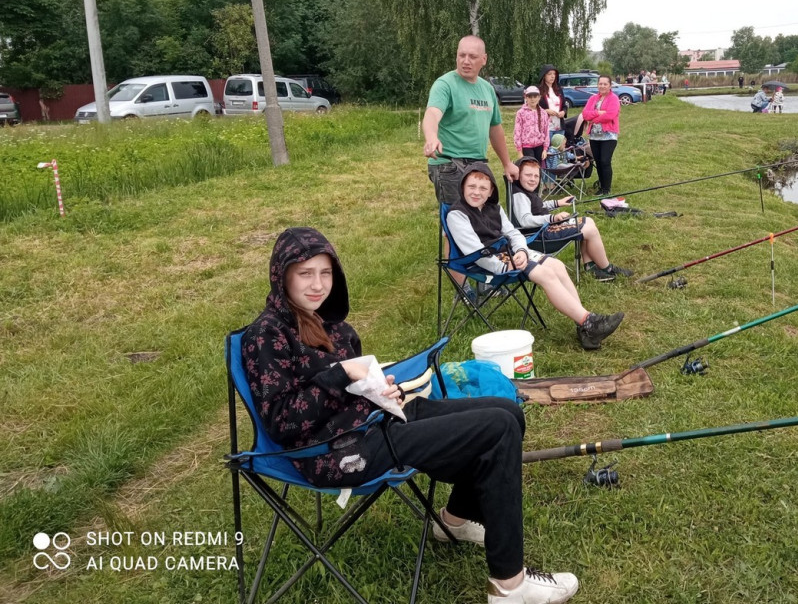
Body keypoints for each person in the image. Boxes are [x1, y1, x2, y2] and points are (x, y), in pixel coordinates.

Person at [242, 227, 579, 604]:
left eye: (326, 273)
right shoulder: (265, 336)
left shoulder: (332, 325)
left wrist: (379, 387)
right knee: (497, 429)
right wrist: (342, 376)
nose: (318, 284)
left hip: (374, 420)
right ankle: (510, 586)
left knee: (506, 411)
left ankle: (454, 520)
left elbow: (349, 389)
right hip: (334, 451)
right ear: (281, 274)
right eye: (305, 274)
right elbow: (282, 422)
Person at [447, 164, 624, 350]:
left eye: (483, 188)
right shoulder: (457, 214)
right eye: (471, 187)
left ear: (491, 191)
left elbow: (513, 234)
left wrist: (522, 251)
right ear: (462, 187)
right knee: (545, 274)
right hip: (486, 262)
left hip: (509, 254)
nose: (476, 192)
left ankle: (584, 325)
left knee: (557, 266)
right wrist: (505, 265)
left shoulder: (494, 207)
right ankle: (588, 322)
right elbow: (474, 251)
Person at [422, 35, 519, 207]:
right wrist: (431, 137)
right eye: (462, 55)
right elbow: (432, 114)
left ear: (484, 59)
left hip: (477, 163)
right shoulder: (445, 84)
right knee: (459, 218)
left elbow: (495, 128)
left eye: (472, 57)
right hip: (448, 163)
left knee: (488, 213)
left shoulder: (487, 89)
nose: (465, 61)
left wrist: (507, 163)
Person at [510, 157, 633, 282]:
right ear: (518, 175)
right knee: (589, 230)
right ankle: (607, 268)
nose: (533, 179)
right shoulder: (519, 195)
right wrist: (552, 218)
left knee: (588, 221)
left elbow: (538, 206)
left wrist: (558, 203)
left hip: (543, 230)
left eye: (536, 176)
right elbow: (525, 220)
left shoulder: (525, 191)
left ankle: (590, 266)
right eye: (528, 175)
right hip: (537, 236)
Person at [581, 75, 621, 195]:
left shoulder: (614, 99)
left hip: (609, 135)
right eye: (600, 83)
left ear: (610, 85)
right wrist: (598, 112)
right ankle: (601, 187)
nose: (602, 86)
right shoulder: (593, 99)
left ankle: (606, 189)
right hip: (594, 136)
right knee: (598, 161)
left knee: (605, 161)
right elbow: (585, 114)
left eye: (605, 84)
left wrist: (594, 119)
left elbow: (610, 115)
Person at [513, 86, 550, 164]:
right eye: (530, 96)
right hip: (526, 146)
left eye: (535, 96)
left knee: (538, 169)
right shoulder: (521, 113)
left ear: (539, 97)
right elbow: (517, 132)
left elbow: (546, 131)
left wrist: (545, 149)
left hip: (540, 146)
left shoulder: (543, 113)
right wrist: (519, 151)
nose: (532, 99)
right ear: (526, 97)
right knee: (529, 167)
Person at [537, 65, 567, 138]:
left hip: (559, 126)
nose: (552, 76)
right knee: (547, 149)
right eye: (550, 74)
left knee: (559, 149)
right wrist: (545, 111)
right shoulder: (538, 90)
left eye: (554, 74)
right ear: (544, 76)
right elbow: (533, 107)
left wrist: (563, 112)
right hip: (546, 127)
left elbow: (564, 105)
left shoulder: (558, 89)